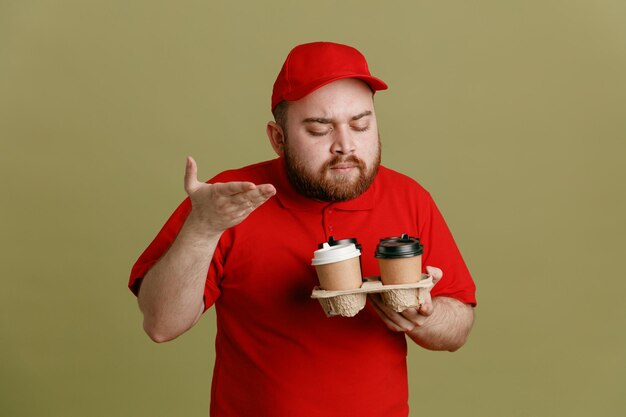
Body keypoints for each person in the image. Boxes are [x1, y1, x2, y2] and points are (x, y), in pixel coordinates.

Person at [129, 41, 476, 417]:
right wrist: (201, 230)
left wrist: (424, 316)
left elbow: (458, 327)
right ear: (278, 139)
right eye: (319, 129)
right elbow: (161, 325)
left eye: (361, 124)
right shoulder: (229, 201)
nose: (345, 145)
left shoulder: (409, 197)